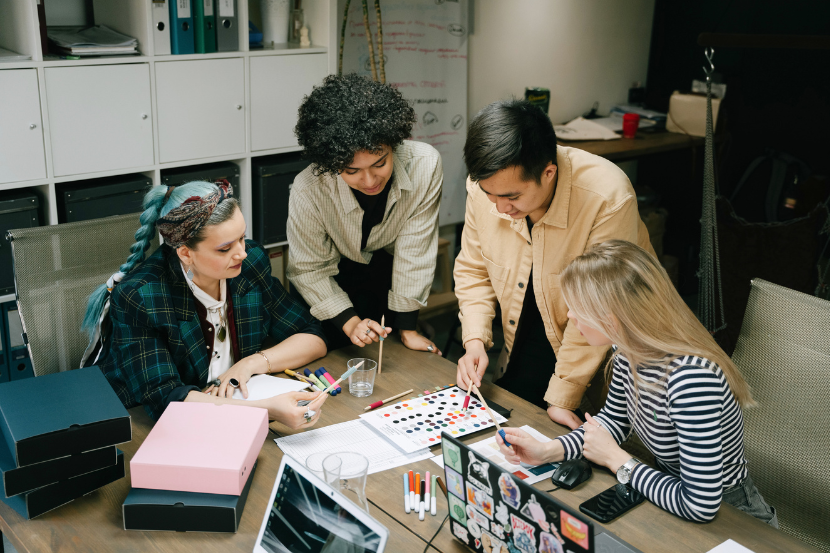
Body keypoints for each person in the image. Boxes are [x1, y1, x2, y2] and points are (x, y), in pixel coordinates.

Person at [496, 240, 778, 526]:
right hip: (665, 492)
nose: (570, 315)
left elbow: (700, 505)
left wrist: (617, 460)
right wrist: (548, 450)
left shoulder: (691, 380)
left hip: (733, 519)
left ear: (612, 320)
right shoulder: (627, 350)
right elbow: (614, 422)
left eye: (577, 308)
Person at [454, 99, 656, 428]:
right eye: (491, 195)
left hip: (602, 358)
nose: (500, 207)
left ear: (548, 173)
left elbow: (599, 310)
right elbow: (474, 271)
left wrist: (564, 395)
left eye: (513, 197)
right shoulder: (488, 188)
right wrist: (474, 340)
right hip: (523, 339)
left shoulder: (607, 197)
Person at [81, 180, 328, 428]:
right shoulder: (141, 296)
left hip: (228, 410)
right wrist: (267, 410)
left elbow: (312, 336)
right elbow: (166, 400)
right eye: (224, 248)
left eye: (242, 238)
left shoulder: (250, 264)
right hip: (145, 424)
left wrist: (249, 364)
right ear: (186, 253)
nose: (241, 252)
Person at [287, 73, 444, 354]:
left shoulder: (425, 165)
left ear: (394, 143)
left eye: (380, 163)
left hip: (385, 275)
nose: (370, 181)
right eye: (352, 171)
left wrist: (408, 328)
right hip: (327, 284)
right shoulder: (308, 188)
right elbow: (309, 268)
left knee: (391, 359)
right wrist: (349, 322)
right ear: (332, 164)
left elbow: (414, 251)